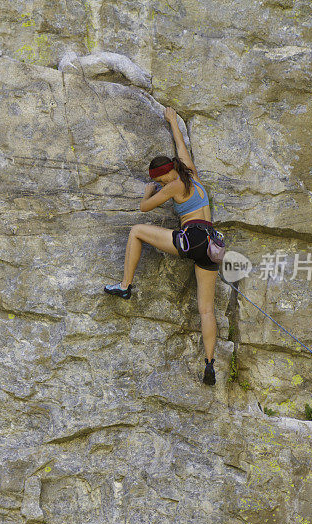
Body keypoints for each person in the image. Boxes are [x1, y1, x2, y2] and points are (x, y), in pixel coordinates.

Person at [103, 106, 219, 386]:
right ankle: (210, 364)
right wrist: (172, 121)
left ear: (161, 177)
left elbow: (144, 208)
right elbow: (180, 145)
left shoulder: (172, 186)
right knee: (206, 310)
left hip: (193, 239)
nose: (157, 184)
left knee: (136, 231)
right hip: (214, 244)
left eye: (156, 180)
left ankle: (125, 285)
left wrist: (148, 192)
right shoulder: (191, 174)